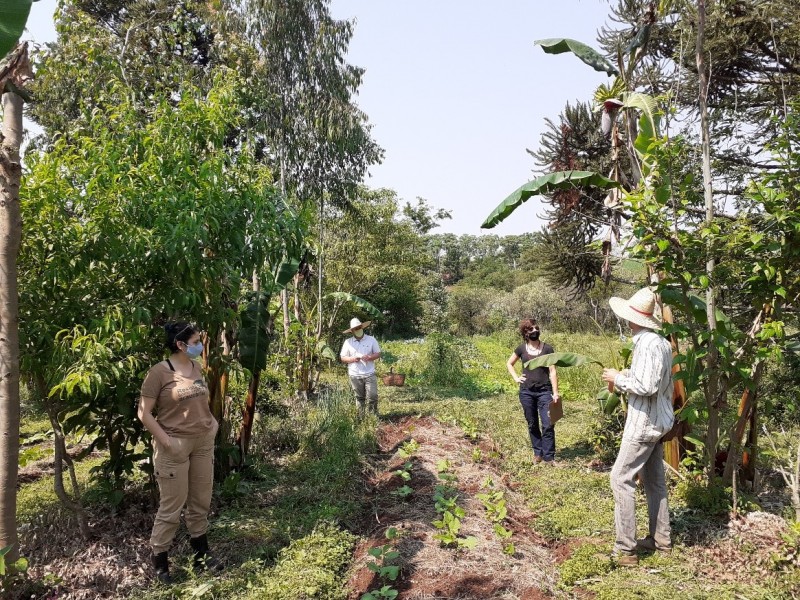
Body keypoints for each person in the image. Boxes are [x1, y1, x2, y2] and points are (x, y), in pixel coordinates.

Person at [137, 322, 221, 583]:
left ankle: (201, 555)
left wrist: (213, 423)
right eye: (196, 341)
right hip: (174, 446)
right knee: (171, 507)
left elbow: (200, 400)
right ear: (180, 344)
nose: (200, 345)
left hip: (203, 442)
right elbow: (143, 413)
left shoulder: (196, 367)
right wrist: (166, 441)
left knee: (200, 501)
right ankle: (161, 564)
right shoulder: (159, 373)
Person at [601, 287, 674, 566]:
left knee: (620, 478)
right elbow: (653, 378)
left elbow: (645, 385)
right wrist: (623, 375)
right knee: (654, 482)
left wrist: (618, 378)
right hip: (659, 422)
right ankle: (661, 539)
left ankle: (625, 549)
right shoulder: (661, 343)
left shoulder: (645, 344)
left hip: (643, 424)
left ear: (633, 318)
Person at [506, 319, 560, 465]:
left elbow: (553, 371)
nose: (535, 331)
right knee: (532, 423)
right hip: (526, 392)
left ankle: (549, 457)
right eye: (531, 330)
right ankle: (538, 453)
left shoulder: (547, 349)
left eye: (536, 328)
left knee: (548, 423)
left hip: (544, 391)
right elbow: (509, 363)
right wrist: (516, 378)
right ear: (525, 333)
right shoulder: (521, 349)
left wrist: (555, 392)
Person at [340, 317, 382, 418]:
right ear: (352, 331)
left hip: (369, 373)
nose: (358, 329)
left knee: (373, 396)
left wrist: (370, 357)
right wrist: (353, 359)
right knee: (359, 398)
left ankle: (373, 416)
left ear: (362, 327)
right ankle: (360, 417)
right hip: (355, 374)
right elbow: (343, 358)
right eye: (355, 328)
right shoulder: (348, 342)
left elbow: (378, 353)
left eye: (359, 327)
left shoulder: (371, 340)